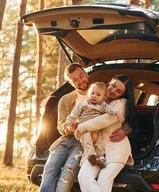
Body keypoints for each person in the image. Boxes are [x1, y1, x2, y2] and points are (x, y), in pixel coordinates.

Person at [39, 63, 130, 192]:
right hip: (66, 139)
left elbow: (117, 116)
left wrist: (126, 128)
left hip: (85, 140)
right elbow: (61, 126)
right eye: (74, 79)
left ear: (87, 74)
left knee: (67, 174)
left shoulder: (99, 91)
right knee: (49, 169)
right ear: (70, 82)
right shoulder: (65, 99)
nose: (80, 80)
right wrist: (69, 127)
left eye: (81, 76)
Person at [77, 74, 136, 192]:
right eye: (113, 86)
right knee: (83, 177)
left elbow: (105, 120)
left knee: (103, 180)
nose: (113, 91)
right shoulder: (96, 99)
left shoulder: (121, 103)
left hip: (116, 151)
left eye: (118, 91)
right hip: (98, 150)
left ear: (122, 95)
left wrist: (82, 127)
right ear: (109, 82)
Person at [65, 82, 124, 168]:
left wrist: (117, 113)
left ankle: (101, 158)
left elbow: (110, 111)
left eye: (98, 95)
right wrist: (69, 123)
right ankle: (91, 155)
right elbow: (73, 115)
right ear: (88, 93)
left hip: (97, 130)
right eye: (92, 93)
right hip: (85, 129)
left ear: (103, 98)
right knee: (87, 139)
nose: (94, 96)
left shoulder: (103, 105)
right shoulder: (82, 103)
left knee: (100, 142)